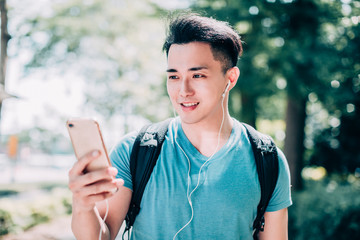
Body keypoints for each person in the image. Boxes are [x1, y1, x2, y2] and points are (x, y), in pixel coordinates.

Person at [68, 13, 292, 240]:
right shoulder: (136, 150)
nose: (183, 91)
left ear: (231, 78)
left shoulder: (267, 159)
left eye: (197, 75)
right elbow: (101, 236)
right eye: (174, 77)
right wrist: (83, 207)